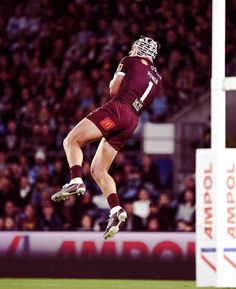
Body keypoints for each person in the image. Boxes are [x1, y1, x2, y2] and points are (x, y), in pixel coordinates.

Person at [51, 36, 162, 239]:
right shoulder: (158, 80)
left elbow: (113, 89)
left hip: (118, 109)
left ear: (140, 48)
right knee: (99, 170)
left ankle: (75, 180)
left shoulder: (130, 60)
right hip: (132, 121)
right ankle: (115, 210)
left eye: (135, 46)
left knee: (71, 140)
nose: (132, 48)